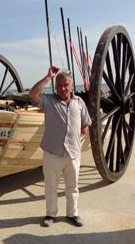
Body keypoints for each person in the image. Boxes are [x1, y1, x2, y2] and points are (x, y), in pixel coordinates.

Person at [29, 66, 92, 227]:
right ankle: (51, 214)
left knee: (73, 187)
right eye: (59, 85)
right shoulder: (49, 101)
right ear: (55, 86)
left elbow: (85, 125)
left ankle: (73, 214)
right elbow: (32, 94)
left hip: (73, 154)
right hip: (52, 153)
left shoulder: (79, 103)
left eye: (65, 85)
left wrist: (74, 140)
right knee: (51, 187)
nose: (62, 88)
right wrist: (48, 76)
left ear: (72, 86)